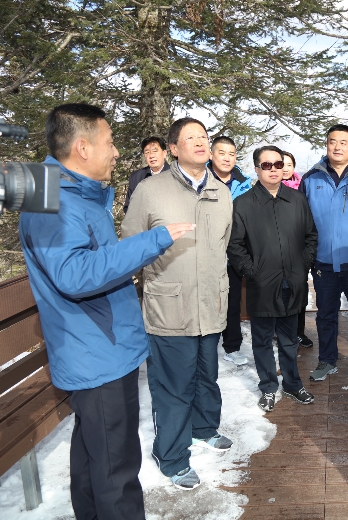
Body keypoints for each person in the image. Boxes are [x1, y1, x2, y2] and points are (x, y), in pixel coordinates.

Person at [19, 103, 194, 518]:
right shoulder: (51, 199)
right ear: (82, 148)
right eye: (110, 142)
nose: (116, 152)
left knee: (93, 458)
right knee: (116, 470)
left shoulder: (66, 193)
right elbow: (74, 274)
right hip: (96, 351)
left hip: (99, 345)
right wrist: (152, 240)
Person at [122, 116, 234, 491]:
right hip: (169, 306)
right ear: (173, 148)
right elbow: (131, 246)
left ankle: (204, 428)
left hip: (210, 302)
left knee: (206, 375)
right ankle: (170, 456)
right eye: (191, 137)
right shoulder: (150, 190)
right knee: (173, 386)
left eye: (204, 136)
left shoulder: (221, 191)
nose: (201, 142)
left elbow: (222, 243)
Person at [227, 145, 317, 411]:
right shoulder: (244, 203)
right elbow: (235, 245)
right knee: (263, 340)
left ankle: (292, 384)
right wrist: (253, 271)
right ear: (257, 169)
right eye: (267, 165)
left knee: (290, 339)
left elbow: (311, 237)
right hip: (262, 284)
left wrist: (302, 265)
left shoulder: (297, 200)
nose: (274, 169)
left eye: (278, 164)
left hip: (293, 282)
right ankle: (268, 386)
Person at [298, 124, 348, 384]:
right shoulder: (311, 179)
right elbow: (302, 221)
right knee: (325, 314)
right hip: (323, 262)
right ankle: (327, 359)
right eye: (332, 141)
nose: (337, 147)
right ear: (326, 144)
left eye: (344, 142)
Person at [207, 136, 253, 366]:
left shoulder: (244, 184)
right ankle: (204, 347)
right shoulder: (201, 180)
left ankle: (232, 346)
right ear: (211, 154)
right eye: (222, 153)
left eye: (231, 154)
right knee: (206, 302)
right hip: (206, 253)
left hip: (233, 254)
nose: (227, 158)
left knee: (232, 302)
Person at [281, 150, 313, 349]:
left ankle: (299, 331)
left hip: (298, 252)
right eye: (281, 164)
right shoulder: (268, 189)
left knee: (299, 293)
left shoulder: (303, 190)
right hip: (274, 253)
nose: (284, 168)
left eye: (289, 164)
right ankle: (280, 331)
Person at [123, 136, 170, 213]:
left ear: (164, 153)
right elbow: (128, 207)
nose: (151, 156)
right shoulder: (136, 177)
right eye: (147, 152)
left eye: (155, 151)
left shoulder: (175, 175)